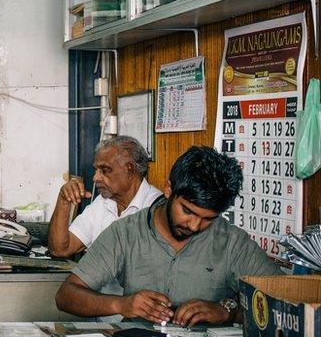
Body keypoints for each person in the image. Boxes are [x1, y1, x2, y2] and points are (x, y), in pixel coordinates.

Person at [55, 146, 281, 326]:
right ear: (168, 189)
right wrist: (122, 305)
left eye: (208, 218)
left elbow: (284, 304)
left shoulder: (232, 242)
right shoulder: (126, 232)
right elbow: (66, 295)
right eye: (187, 211)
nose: (194, 226)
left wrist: (228, 312)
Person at [48, 136, 162, 259]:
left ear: (130, 169)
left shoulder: (157, 208)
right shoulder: (102, 203)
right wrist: (63, 200)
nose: (95, 178)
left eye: (105, 169)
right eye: (96, 170)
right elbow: (60, 250)